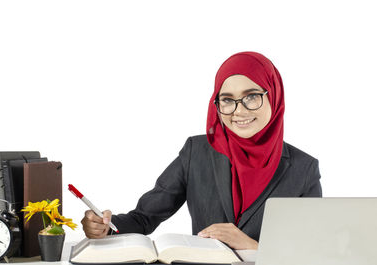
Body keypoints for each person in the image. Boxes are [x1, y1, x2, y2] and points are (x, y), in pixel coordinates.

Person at [81, 51, 322, 250]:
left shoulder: (304, 169)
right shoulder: (196, 152)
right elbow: (144, 218)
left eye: (252, 96)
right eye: (227, 99)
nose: (239, 111)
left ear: (275, 96)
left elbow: (313, 250)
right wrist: (106, 226)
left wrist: (251, 245)